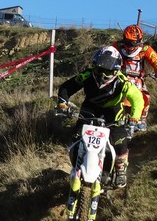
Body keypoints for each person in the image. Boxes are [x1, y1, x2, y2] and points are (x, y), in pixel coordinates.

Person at [56, 46, 145, 191]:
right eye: (99, 70)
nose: (103, 75)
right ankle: (78, 165)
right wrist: (62, 104)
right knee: (77, 137)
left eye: (108, 71)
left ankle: (120, 168)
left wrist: (134, 118)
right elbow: (67, 87)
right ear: (94, 67)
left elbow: (137, 99)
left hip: (113, 112)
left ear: (116, 70)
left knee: (119, 139)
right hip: (90, 109)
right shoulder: (87, 75)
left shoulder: (123, 82)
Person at [112, 24, 157, 130]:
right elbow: (107, 55)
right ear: (124, 39)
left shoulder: (145, 49)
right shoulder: (117, 46)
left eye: (134, 42)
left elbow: (156, 61)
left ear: (140, 40)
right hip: (120, 78)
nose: (131, 46)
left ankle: (142, 119)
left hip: (138, 79)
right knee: (115, 96)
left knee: (145, 97)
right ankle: (113, 117)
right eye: (129, 42)